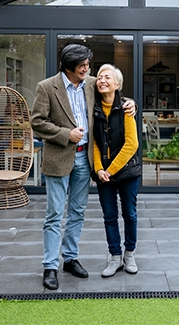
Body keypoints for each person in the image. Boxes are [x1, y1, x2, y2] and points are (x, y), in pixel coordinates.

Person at [31, 44, 135, 290]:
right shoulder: (46, 87)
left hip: (84, 159)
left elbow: (113, 94)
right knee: (55, 214)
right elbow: (37, 122)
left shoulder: (91, 84)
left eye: (89, 65)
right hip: (59, 157)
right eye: (83, 66)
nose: (88, 69)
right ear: (69, 67)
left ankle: (70, 259)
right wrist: (66, 134)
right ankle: (49, 266)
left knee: (77, 212)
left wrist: (131, 103)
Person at [91, 64, 142, 278]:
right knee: (109, 216)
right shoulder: (92, 108)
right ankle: (114, 257)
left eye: (107, 77)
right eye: (100, 77)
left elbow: (132, 144)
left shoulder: (126, 109)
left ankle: (129, 255)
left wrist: (109, 170)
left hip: (126, 172)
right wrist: (99, 169)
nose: (102, 80)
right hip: (104, 173)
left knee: (129, 214)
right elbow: (94, 142)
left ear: (117, 84)